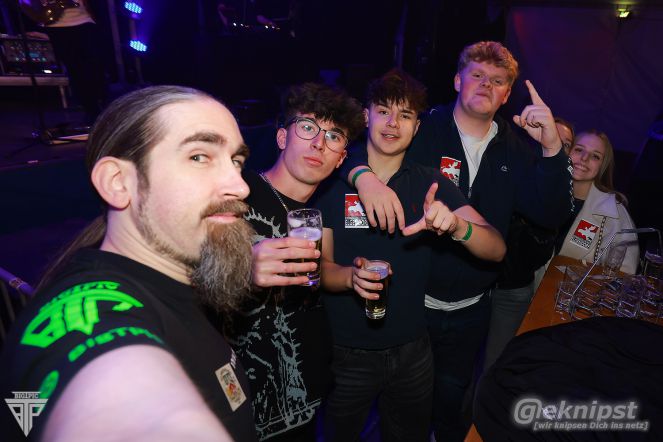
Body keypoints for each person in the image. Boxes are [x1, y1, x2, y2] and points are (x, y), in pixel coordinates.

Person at [341, 42, 572, 441]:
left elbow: (551, 213)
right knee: (396, 407)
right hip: (413, 302)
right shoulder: (422, 128)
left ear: (506, 95)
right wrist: (363, 177)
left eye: (497, 81)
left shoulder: (517, 149)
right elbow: (350, 148)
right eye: (477, 75)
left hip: (472, 308)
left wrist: (552, 145)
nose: (486, 85)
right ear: (457, 80)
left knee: (450, 401)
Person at [0, 86, 259, 441]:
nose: (240, 186)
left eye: (236, 161)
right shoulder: (87, 310)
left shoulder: (179, 281)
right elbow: (119, 403)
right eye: (199, 156)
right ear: (118, 183)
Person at [315, 68, 506, 442]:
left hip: (413, 352)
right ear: (366, 117)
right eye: (383, 111)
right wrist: (351, 277)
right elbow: (319, 268)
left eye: (405, 115)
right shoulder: (332, 181)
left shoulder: (430, 183)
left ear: (417, 127)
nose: (392, 123)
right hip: (345, 352)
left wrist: (457, 226)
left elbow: (497, 248)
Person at [220, 83, 364, 441]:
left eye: (333, 136)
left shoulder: (314, 216)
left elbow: (319, 272)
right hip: (238, 405)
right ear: (282, 137)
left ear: (341, 159)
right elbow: (181, 280)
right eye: (308, 128)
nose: (319, 144)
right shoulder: (235, 195)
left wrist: (352, 275)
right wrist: (243, 268)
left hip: (301, 397)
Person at [483, 116, 578, 370]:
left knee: (495, 365)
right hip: (476, 285)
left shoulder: (555, 198)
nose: (554, 143)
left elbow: (536, 255)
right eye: (550, 134)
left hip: (512, 291)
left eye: (565, 144)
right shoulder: (510, 167)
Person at [557, 129, 639, 273]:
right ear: (568, 152)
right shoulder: (545, 191)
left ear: (603, 166)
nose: (584, 158)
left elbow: (625, 271)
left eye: (595, 156)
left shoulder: (614, 211)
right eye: (579, 149)